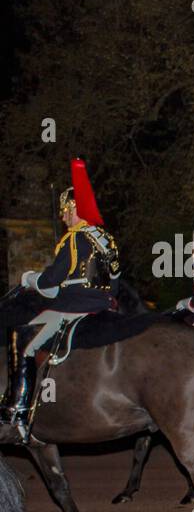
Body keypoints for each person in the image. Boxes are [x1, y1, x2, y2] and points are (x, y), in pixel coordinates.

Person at [2, 158, 120, 439]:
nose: (63, 217)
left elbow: (51, 280)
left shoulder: (73, 239)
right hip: (103, 305)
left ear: (75, 209)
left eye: (66, 211)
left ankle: (17, 412)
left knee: (24, 341)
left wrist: (29, 279)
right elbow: (112, 284)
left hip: (73, 308)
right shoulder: (107, 239)